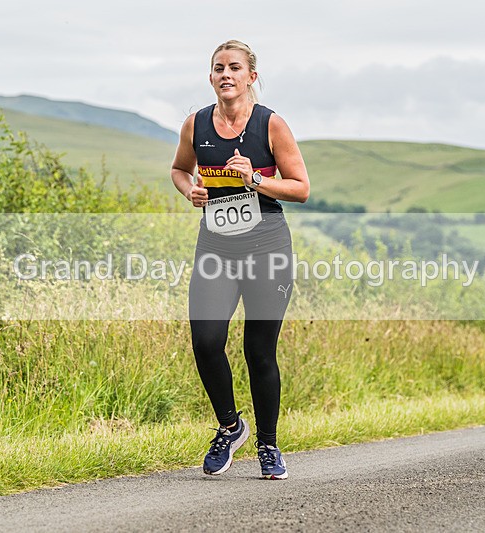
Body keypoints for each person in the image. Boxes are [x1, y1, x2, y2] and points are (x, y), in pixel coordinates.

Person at [170, 40, 309, 479]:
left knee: (259, 351)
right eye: (218, 68)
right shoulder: (196, 124)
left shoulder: (271, 125)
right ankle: (230, 427)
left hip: (267, 246)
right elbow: (178, 169)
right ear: (210, 78)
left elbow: (301, 188)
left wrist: (256, 179)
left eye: (234, 67)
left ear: (251, 77)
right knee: (206, 340)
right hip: (216, 247)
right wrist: (188, 189)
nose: (225, 74)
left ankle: (268, 445)